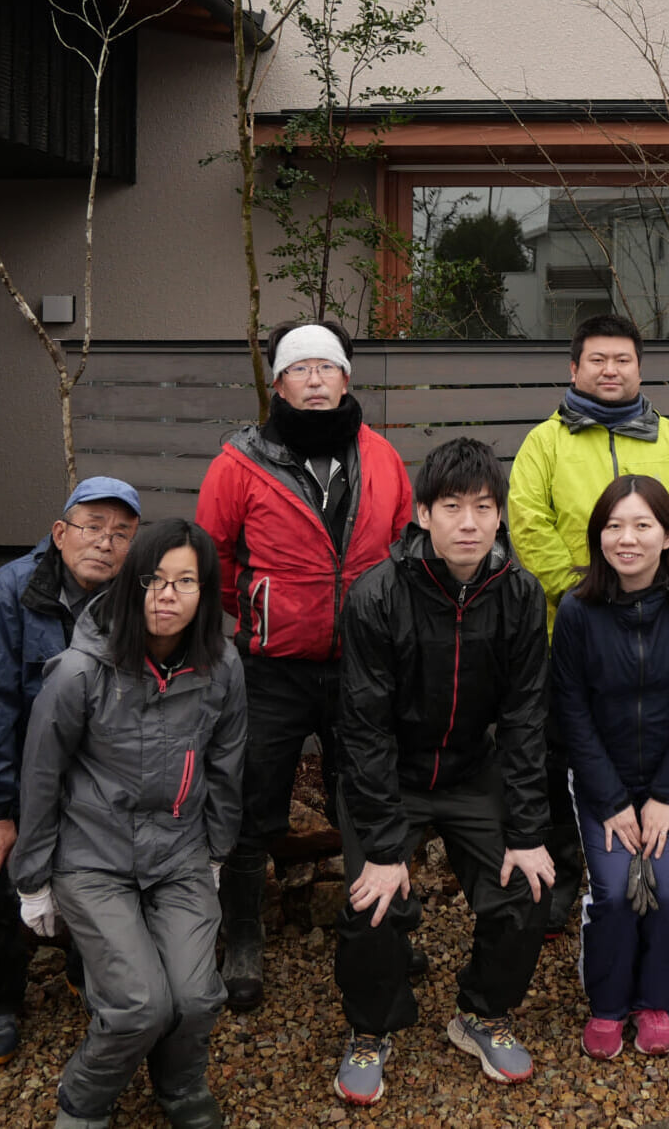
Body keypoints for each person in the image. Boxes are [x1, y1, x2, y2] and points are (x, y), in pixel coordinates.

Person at [196, 319, 413, 1010]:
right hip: (271, 667)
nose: (314, 380)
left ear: (346, 379)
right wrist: (259, 611)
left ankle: (382, 925)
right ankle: (246, 932)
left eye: (327, 368)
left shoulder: (381, 456)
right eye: (300, 369)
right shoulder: (240, 461)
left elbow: (404, 546)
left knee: (370, 795)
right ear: (279, 383)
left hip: (362, 660)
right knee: (252, 797)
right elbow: (214, 557)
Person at [332, 438, 552, 1107]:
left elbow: (524, 719)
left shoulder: (518, 593)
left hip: (468, 768)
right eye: (450, 506)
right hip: (389, 773)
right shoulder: (377, 595)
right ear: (421, 513)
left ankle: (481, 1011)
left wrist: (526, 828)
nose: (467, 522)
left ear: (498, 515)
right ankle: (370, 1028)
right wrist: (382, 843)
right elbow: (362, 727)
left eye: (482, 507)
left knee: (527, 886)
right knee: (374, 900)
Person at [11, 519, 245, 1129]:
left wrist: (216, 853)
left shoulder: (221, 669)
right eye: (154, 579)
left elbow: (225, 766)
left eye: (185, 581)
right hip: (93, 858)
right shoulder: (80, 672)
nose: (168, 595)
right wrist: (33, 880)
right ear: (130, 586)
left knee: (197, 998)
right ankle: (84, 1100)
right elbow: (41, 775)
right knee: (140, 1004)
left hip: (180, 856)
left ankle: (181, 1085)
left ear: (206, 593)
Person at [508, 313, 669, 935]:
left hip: (664, 622)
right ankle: (563, 875)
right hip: (570, 628)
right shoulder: (545, 442)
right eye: (596, 360)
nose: (610, 370)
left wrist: (665, 581)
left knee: (659, 732)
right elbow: (526, 521)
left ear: (639, 368)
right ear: (573, 369)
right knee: (564, 750)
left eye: (621, 360)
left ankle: (661, 857)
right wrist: (585, 593)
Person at [0, 475, 142, 1066]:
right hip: (8, 776)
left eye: (121, 533)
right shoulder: (5, 594)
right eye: (91, 528)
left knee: (111, 877)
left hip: (93, 781)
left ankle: (94, 977)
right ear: (59, 533)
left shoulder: (138, 598)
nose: (105, 543)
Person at [550, 476, 669, 1060]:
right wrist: (611, 799)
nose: (627, 539)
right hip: (604, 783)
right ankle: (606, 1005)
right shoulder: (577, 611)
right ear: (598, 535)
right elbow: (572, 712)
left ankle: (655, 1003)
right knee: (612, 890)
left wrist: (667, 796)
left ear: (668, 536)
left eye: (642, 525)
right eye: (613, 526)